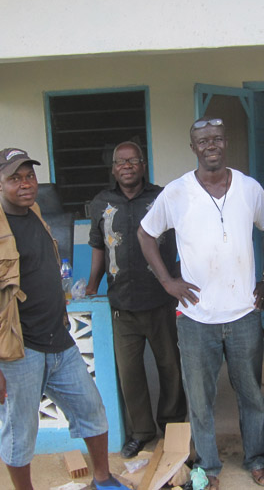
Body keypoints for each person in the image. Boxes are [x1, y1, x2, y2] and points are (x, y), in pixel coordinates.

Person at [0, 148, 128, 490]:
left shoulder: (35, 213)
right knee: (20, 433)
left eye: (29, 176)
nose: (25, 185)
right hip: (18, 350)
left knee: (92, 410)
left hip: (59, 341)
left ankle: (102, 479)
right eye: (14, 179)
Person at [137, 117, 264, 489]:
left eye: (216, 138)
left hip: (245, 314)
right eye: (203, 141)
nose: (210, 145)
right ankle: (208, 468)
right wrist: (167, 280)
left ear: (225, 142)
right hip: (196, 317)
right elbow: (145, 233)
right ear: (193, 147)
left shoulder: (248, 188)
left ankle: (257, 459)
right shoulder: (176, 192)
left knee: (251, 394)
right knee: (199, 399)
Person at [86, 141, 186, 459]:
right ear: (113, 168)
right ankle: (141, 431)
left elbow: (186, 237)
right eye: (121, 161)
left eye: (134, 160)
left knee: (169, 366)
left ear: (144, 165)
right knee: (130, 372)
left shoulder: (163, 198)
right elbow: (99, 247)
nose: (127, 166)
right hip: (121, 304)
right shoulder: (101, 202)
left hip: (160, 300)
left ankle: (172, 426)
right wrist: (92, 285)